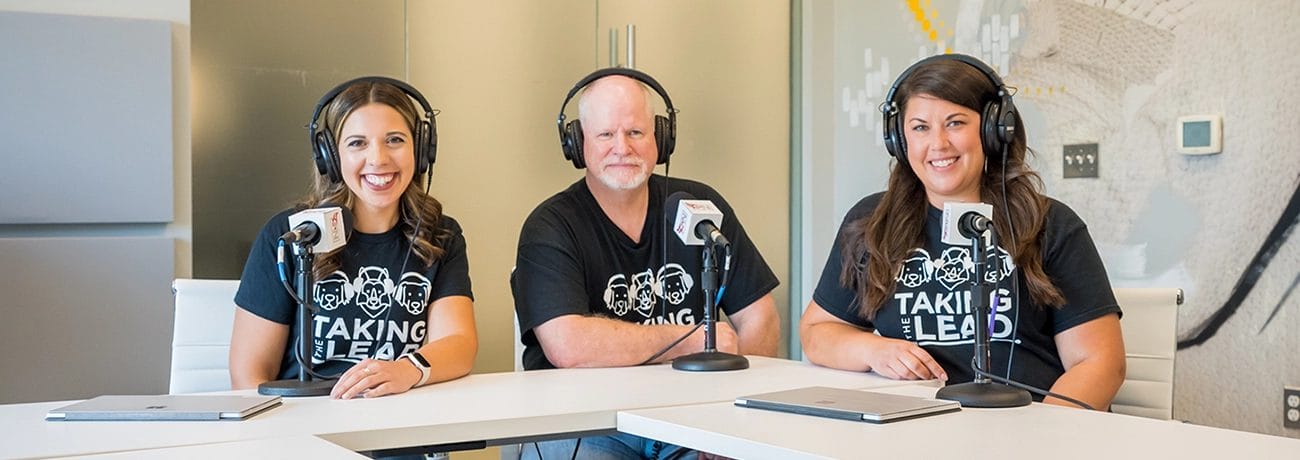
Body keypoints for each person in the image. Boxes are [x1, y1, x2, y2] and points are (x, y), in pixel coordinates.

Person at [799, 54, 1125, 410]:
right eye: (920, 127)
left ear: (993, 130)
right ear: (899, 139)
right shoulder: (872, 222)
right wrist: (872, 349)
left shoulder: (1050, 224)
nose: (938, 144)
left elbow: (1100, 364)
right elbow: (816, 333)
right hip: (915, 430)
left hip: (1028, 429)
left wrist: (1039, 438)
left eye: (955, 123)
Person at [512, 68, 780, 459]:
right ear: (577, 143)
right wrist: (694, 340)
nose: (622, 147)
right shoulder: (551, 225)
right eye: (605, 134)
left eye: (635, 132)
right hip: (588, 424)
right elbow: (568, 346)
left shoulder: (699, 208)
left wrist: (729, 413)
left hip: (693, 421)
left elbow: (760, 316)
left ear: (661, 139)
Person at [230, 77, 477, 400]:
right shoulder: (288, 236)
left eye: (395, 140)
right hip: (305, 434)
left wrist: (405, 369)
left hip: (400, 429)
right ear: (330, 157)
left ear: (421, 148)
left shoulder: (440, 235)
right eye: (357, 143)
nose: (378, 159)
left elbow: (459, 343)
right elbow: (248, 375)